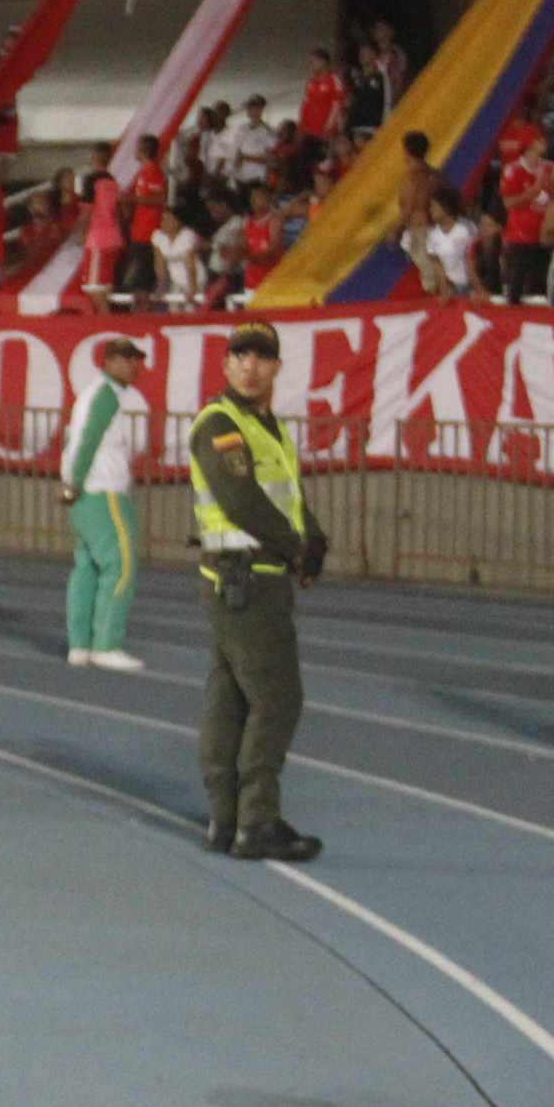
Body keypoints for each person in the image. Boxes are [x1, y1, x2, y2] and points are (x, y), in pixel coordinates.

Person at [188, 322, 327, 860]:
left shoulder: (268, 427)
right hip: (245, 577)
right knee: (277, 699)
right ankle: (256, 821)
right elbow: (241, 500)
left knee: (231, 700)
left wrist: (312, 538)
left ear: (277, 368)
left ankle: (226, 820)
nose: (250, 365)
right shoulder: (221, 424)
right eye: (240, 355)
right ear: (225, 365)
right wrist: (295, 547)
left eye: (262, 357)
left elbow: (288, 495)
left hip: (254, 576)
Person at [60, 336, 149, 673]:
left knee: (87, 567)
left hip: (86, 493)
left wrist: (72, 482)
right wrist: (75, 483)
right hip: (103, 490)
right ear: (109, 362)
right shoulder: (106, 396)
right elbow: (89, 440)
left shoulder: (90, 394)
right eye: (127, 360)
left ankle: (80, 644)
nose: (135, 366)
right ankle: (107, 645)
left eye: (137, 360)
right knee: (120, 565)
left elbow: (74, 439)